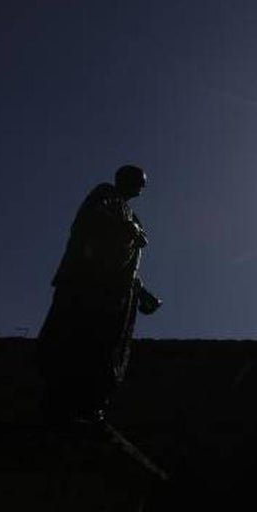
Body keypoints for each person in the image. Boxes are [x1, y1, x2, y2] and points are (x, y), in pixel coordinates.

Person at [36, 164, 161, 427]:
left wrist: (141, 291)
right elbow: (88, 226)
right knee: (76, 340)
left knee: (105, 349)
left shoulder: (131, 215)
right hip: (89, 284)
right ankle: (60, 402)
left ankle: (90, 405)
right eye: (140, 181)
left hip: (116, 294)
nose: (142, 188)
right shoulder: (105, 197)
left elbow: (127, 264)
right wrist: (128, 230)